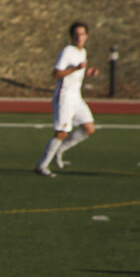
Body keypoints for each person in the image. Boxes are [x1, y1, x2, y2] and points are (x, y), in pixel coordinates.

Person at [35, 21, 98, 178]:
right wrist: (76, 69)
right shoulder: (67, 51)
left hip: (77, 97)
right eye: (76, 34)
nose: (79, 37)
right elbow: (56, 74)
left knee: (89, 129)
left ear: (87, 36)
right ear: (72, 36)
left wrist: (87, 72)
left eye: (82, 34)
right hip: (64, 97)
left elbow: (78, 72)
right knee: (61, 132)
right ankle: (42, 166)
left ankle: (61, 149)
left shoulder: (82, 52)